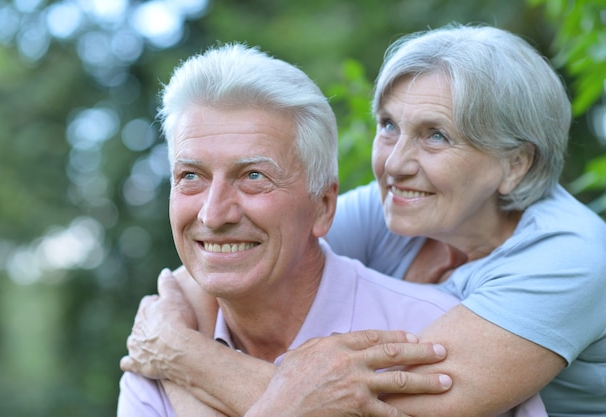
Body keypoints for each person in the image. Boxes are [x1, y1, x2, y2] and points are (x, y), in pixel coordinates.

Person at [121, 24, 606, 416]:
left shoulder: (572, 256)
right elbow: (219, 258)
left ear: (516, 163)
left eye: (435, 135)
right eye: (389, 126)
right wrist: (164, 330)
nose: (395, 163)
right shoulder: (402, 204)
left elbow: (375, 412)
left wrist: (179, 358)